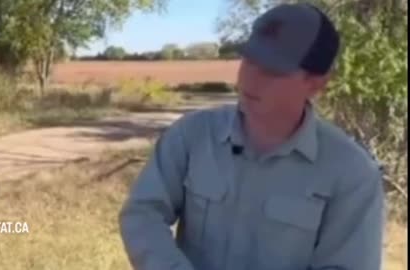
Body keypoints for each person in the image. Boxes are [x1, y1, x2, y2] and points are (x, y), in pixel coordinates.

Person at [119, 3, 385, 270]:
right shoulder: (192, 136)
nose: (250, 79)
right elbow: (143, 213)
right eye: (249, 60)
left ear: (316, 84)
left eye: (272, 70)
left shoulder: (352, 174)